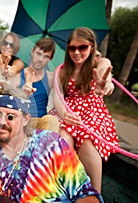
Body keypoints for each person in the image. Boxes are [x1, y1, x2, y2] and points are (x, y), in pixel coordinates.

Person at [52, 27, 119, 193]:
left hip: (93, 112)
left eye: (82, 47)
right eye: (72, 48)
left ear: (91, 47)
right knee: (63, 139)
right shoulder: (61, 71)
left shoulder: (99, 64)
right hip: (68, 112)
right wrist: (65, 115)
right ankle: (65, 187)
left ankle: (95, 194)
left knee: (88, 141)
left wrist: (107, 84)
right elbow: (57, 96)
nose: (77, 52)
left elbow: (106, 73)